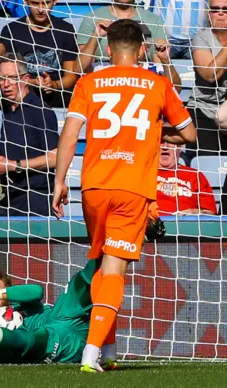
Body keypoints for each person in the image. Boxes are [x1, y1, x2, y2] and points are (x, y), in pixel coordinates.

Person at [51, 19, 196, 372]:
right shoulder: (157, 84)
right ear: (143, 48)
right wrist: (156, 133)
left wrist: (59, 181)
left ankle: (109, 350)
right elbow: (190, 134)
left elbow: (70, 134)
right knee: (115, 269)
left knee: (101, 263)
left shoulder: (88, 82)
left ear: (108, 48)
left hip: (94, 186)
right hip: (133, 188)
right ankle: (89, 354)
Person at [0, 260, 97, 365]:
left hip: (63, 321)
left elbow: (37, 291)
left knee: (80, 282)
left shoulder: (21, 303)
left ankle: (110, 248)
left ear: (7, 289)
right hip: (57, 345)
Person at [0, 54, 58, 218]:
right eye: (1, 79)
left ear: (26, 79)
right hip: (10, 196)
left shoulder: (40, 111)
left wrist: (14, 165)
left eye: (12, 78)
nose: (6, 84)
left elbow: (55, 158)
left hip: (36, 198)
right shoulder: (6, 108)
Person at [0, 0, 80, 108]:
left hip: (58, 95)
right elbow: (8, 75)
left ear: (55, 1)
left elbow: (71, 76)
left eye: (46, 3)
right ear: (26, 2)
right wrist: (34, 82)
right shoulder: (11, 30)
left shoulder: (65, 30)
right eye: (35, 3)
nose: (41, 9)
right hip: (23, 94)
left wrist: (54, 85)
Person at [186, 0, 227, 161]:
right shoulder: (201, 38)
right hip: (204, 110)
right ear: (207, 13)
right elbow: (210, 75)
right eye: (215, 9)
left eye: (226, 9)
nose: (221, 13)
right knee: (204, 163)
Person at [77, 0, 167, 71]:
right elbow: (79, 68)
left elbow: (159, 65)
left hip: (140, 73)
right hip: (102, 73)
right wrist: (96, 35)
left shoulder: (153, 20)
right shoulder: (92, 18)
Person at [157, 142, 217, 215]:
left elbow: (211, 214)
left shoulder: (195, 175)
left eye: (171, 142)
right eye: (161, 142)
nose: (165, 147)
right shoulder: (144, 174)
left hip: (184, 224)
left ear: (179, 148)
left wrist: (194, 212)